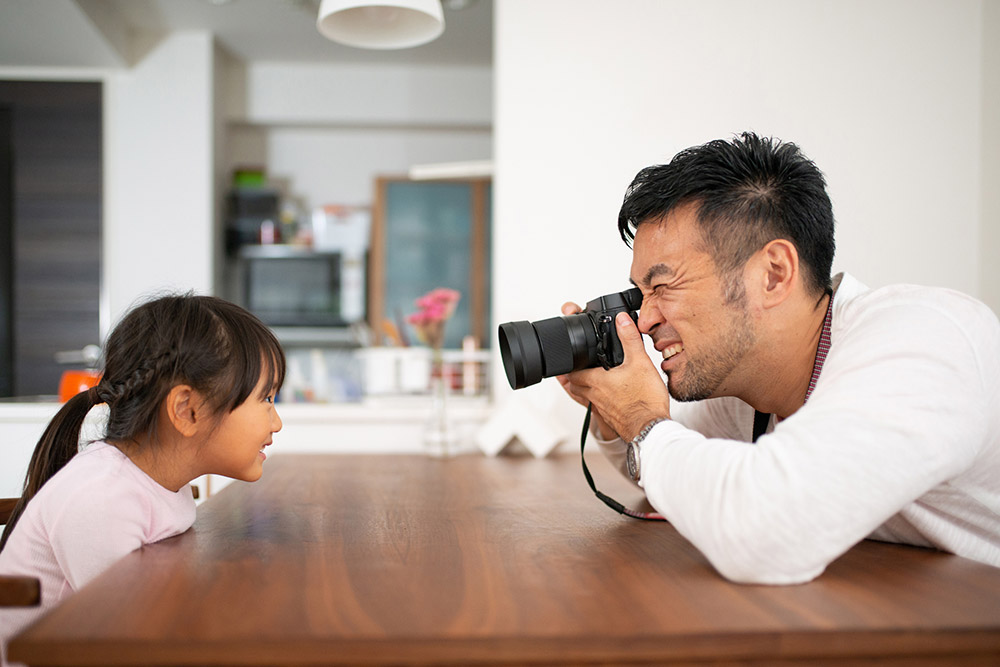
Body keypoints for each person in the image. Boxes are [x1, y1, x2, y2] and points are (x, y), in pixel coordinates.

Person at [559, 132, 1000, 585]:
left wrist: (641, 418)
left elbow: (764, 532)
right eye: (640, 294)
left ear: (773, 274)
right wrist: (616, 417)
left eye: (663, 287)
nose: (645, 319)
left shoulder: (926, 340)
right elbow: (679, 474)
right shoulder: (747, 391)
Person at [0, 294, 285, 664]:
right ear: (187, 410)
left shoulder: (159, 482)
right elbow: (131, 643)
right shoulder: (102, 500)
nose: (276, 422)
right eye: (266, 399)